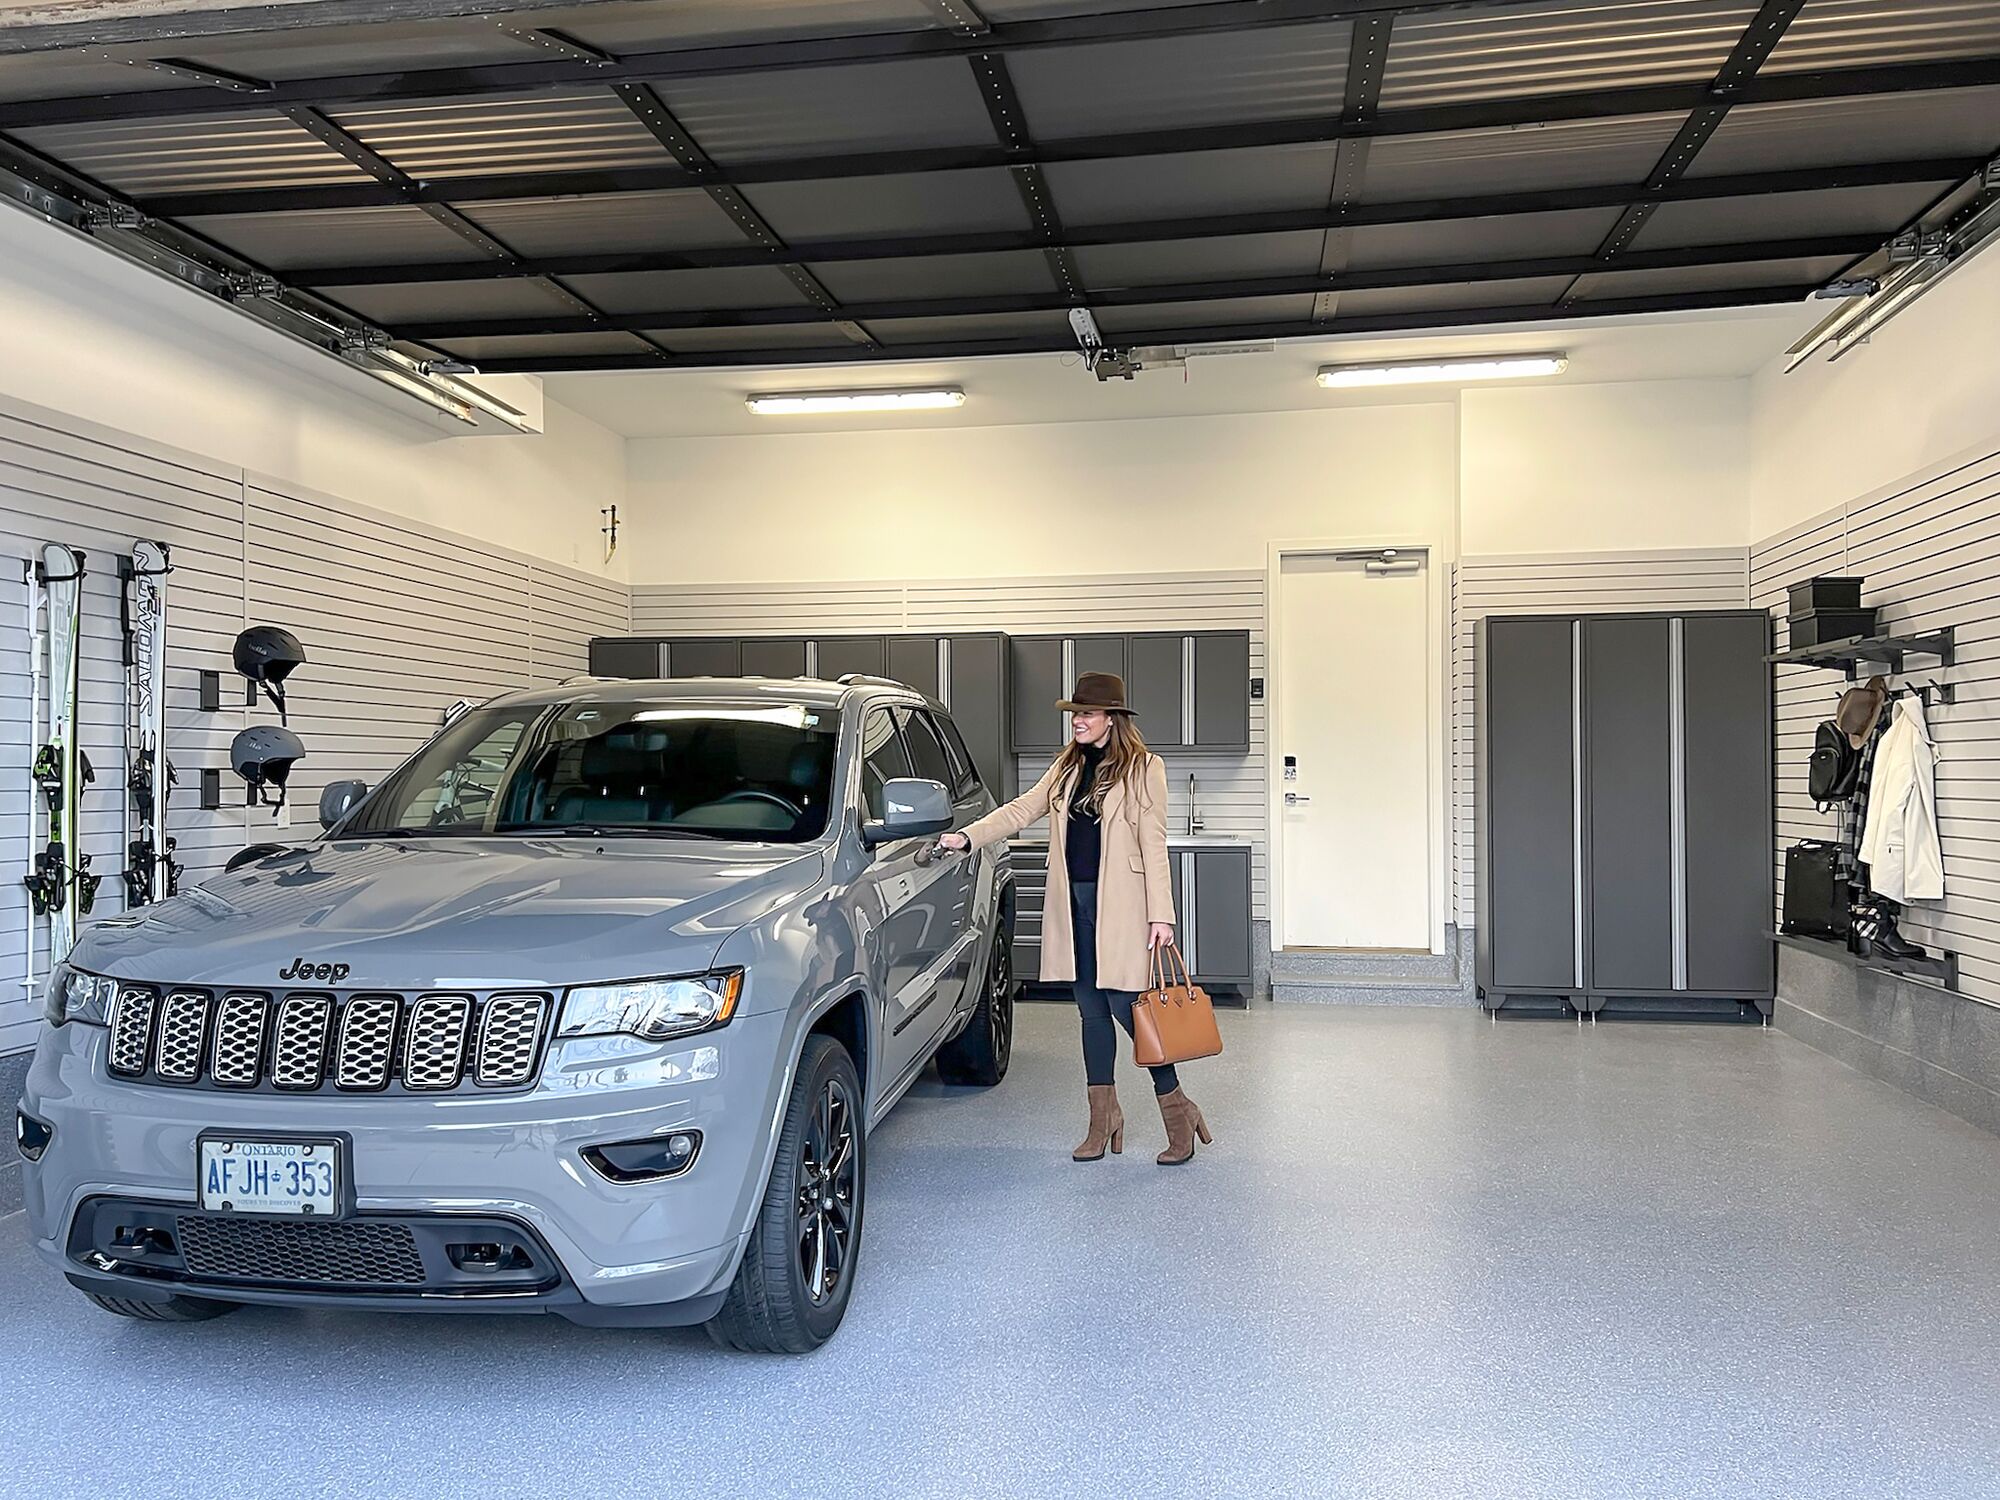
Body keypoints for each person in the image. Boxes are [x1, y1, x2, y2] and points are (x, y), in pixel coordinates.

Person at [941, 672, 1213, 1165]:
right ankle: (1102, 1119)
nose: (1077, 722)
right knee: (1090, 1011)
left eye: (1086, 714)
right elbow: (1021, 810)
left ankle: (1179, 1111)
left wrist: (1162, 915)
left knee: (1129, 1008)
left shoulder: (1144, 768)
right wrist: (968, 837)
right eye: (1075, 714)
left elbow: (1154, 844)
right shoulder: (1066, 767)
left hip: (1123, 908)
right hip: (1073, 906)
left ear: (1111, 719)